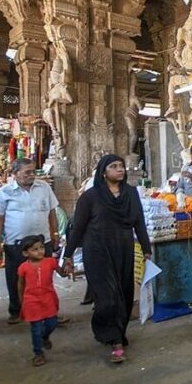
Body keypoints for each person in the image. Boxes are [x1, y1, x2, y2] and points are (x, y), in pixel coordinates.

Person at [63, 154, 151, 364]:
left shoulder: (130, 194)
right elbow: (78, 228)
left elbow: (139, 222)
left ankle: (116, 332)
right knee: (107, 297)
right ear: (103, 172)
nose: (119, 170)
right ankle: (115, 340)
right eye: (114, 166)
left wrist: (146, 249)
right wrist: (67, 255)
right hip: (97, 252)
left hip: (123, 250)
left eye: (121, 166)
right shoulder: (90, 197)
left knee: (124, 294)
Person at [0, 158, 60, 325]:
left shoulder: (44, 188)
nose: (32, 175)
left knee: (45, 279)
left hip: (43, 243)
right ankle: (17, 311)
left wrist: (55, 234)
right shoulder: (5, 192)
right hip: (16, 243)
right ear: (15, 174)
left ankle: (49, 312)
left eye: (33, 171)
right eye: (27, 172)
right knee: (16, 278)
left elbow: (52, 213)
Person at [17, 234, 66, 367]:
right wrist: (22, 301)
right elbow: (20, 284)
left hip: (48, 298)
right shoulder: (23, 268)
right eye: (35, 249)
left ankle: (45, 337)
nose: (40, 251)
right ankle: (38, 353)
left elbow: (62, 273)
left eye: (41, 248)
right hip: (31, 301)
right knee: (36, 329)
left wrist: (66, 268)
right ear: (25, 253)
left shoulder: (50, 262)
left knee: (52, 323)